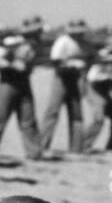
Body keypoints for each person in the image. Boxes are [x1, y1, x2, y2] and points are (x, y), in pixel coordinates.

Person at [0, 16, 43, 163]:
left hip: (24, 81)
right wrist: (12, 65)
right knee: (0, 117)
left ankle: (34, 153)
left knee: (28, 118)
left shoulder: (34, 45)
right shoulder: (13, 43)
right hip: (8, 82)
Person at [38, 18, 89, 156]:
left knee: (76, 114)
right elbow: (55, 61)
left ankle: (76, 147)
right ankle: (43, 145)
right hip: (61, 78)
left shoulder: (83, 44)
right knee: (53, 111)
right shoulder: (63, 41)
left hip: (76, 78)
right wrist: (71, 64)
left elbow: (89, 58)